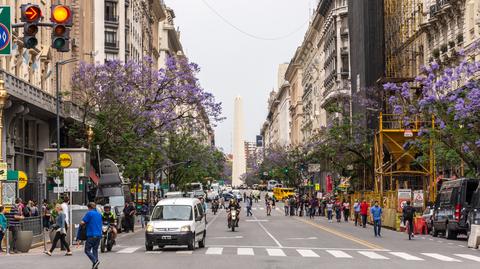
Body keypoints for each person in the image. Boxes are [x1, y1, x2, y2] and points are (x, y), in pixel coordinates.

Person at [81, 202, 102, 269]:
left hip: (91, 234)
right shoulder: (99, 214)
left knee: (87, 250)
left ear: (89, 208)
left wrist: (82, 224)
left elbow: (83, 222)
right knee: (95, 250)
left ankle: (95, 261)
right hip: (99, 235)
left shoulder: (89, 213)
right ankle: (95, 266)